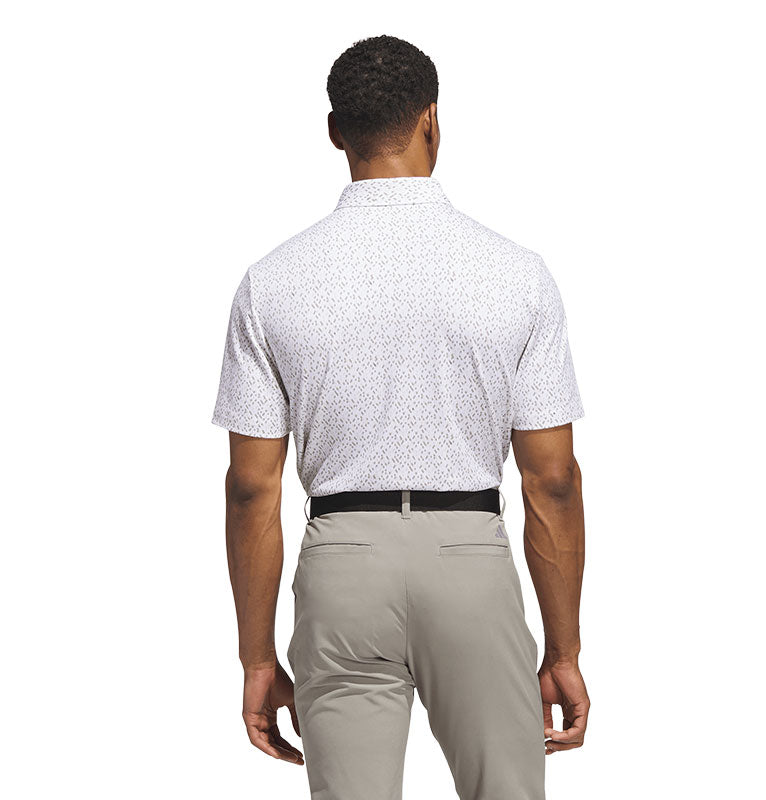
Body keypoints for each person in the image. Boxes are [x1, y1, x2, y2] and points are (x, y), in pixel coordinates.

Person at [212, 34, 589, 800]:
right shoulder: (516, 274)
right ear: (432, 121)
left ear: (334, 131)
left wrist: (256, 658)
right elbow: (552, 480)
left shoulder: (272, 282)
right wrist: (563, 650)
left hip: (342, 567)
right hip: (470, 560)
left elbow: (252, 488)